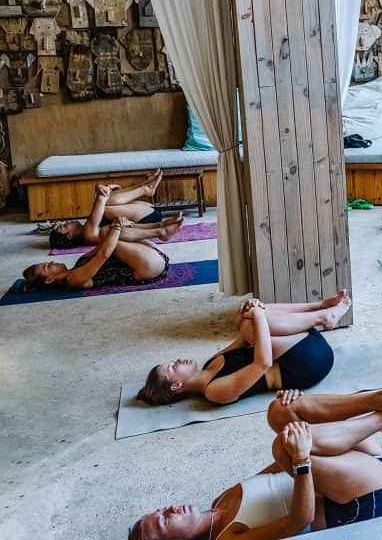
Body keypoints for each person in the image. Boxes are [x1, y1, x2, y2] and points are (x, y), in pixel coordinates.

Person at [129, 358, 382, 539]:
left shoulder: (220, 502)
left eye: (162, 509)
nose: (170, 509)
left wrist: (297, 419)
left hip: (353, 471)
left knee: (280, 410)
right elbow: (298, 521)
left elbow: (276, 472)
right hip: (363, 499)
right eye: (166, 520)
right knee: (284, 447)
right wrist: (300, 458)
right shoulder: (228, 538)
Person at [136, 294, 353, 406]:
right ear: (176, 385)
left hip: (299, 343)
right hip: (308, 364)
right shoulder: (214, 391)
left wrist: (248, 309)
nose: (177, 360)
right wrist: (257, 317)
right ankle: (321, 316)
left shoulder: (210, 363)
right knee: (253, 324)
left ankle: (319, 307)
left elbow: (243, 335)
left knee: (245, 319)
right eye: (172, 367)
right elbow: (263, 363)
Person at [23, 217, 173, 291]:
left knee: (105, 232)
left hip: (151, 257)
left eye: (47, 263)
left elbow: (102, 244)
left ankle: (159, 229)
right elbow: (104, 254)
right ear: (49, 280)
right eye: (46, 267)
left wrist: (117, 226)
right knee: (110, 235)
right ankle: (160, 231)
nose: (50, 263)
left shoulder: (78, 264)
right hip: (147, 267)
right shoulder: (73, 279)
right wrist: (117, 227)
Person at [48, 171, 184, 249]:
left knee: (106, 207)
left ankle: (145, 188)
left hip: (146, 212)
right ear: (70, 236)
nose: (68, 222)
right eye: (65, 226)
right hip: (147, 216)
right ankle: (145, 189)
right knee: (105, 207)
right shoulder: (88, 233)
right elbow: (102, 199)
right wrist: (101, 187)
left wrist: (106, 188)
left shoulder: (89, 230)